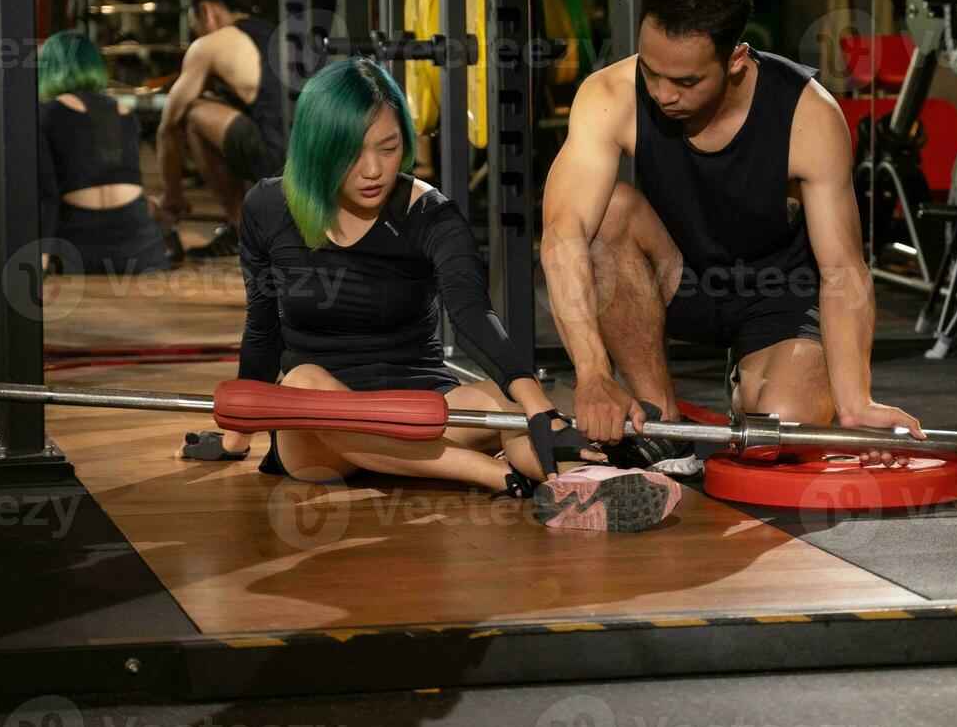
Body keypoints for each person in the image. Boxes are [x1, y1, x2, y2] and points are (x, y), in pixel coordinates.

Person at [218, 58, 681, 532]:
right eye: (352, 154)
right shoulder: (268, 208)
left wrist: (537, 406)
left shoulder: (430, 214)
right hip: (321, 434)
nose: (374, 170)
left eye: (389, 147)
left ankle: (580, 483)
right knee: (303, 383)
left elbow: (472, 314)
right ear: (318, 150)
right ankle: (496, 474)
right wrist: (234, 437)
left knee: (510, 407)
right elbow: (263, 327)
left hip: (420, 409)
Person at [540, 0, 922, 474]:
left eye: (687, 81)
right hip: (680, 278)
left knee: (784, 430)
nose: (663, 94)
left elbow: (842, 268)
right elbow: (563, 234)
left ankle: (759, 377)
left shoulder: (807, 116)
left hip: (776, 290)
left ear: (737, 57)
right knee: (605, 213)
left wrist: (856, 402)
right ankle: (660, 422)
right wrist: (591, 373)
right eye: (652, 72)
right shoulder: (610, 95)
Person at [157, 0, 288, 257]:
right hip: (318, 155)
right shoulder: (278, 31)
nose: (198, 35)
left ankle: (242, 228)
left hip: (281, 159)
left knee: (192, 114)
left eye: (196, 28)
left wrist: (172, 193)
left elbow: (168, 125)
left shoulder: (211, 45)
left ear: (207, 12)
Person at [36, 30, 169, 274]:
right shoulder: (123, 112)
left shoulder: (45, 114)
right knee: (150, 204)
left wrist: (41, 255)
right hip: (139, 247)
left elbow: (47, 193)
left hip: (78, 247)